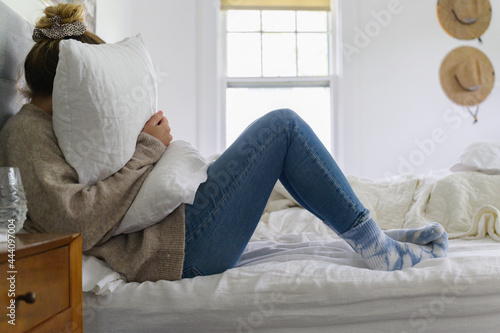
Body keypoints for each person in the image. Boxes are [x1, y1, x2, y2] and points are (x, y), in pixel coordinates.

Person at [0, 4, 448, 282]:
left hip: (177, 230)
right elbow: (73, 219)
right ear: (74, 82)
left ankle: (370, 235)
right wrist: (149, 148)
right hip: (181, 248)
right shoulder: (26, 131)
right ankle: (375, 245)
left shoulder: (56, 126)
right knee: (282, 127)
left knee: (278, 133)